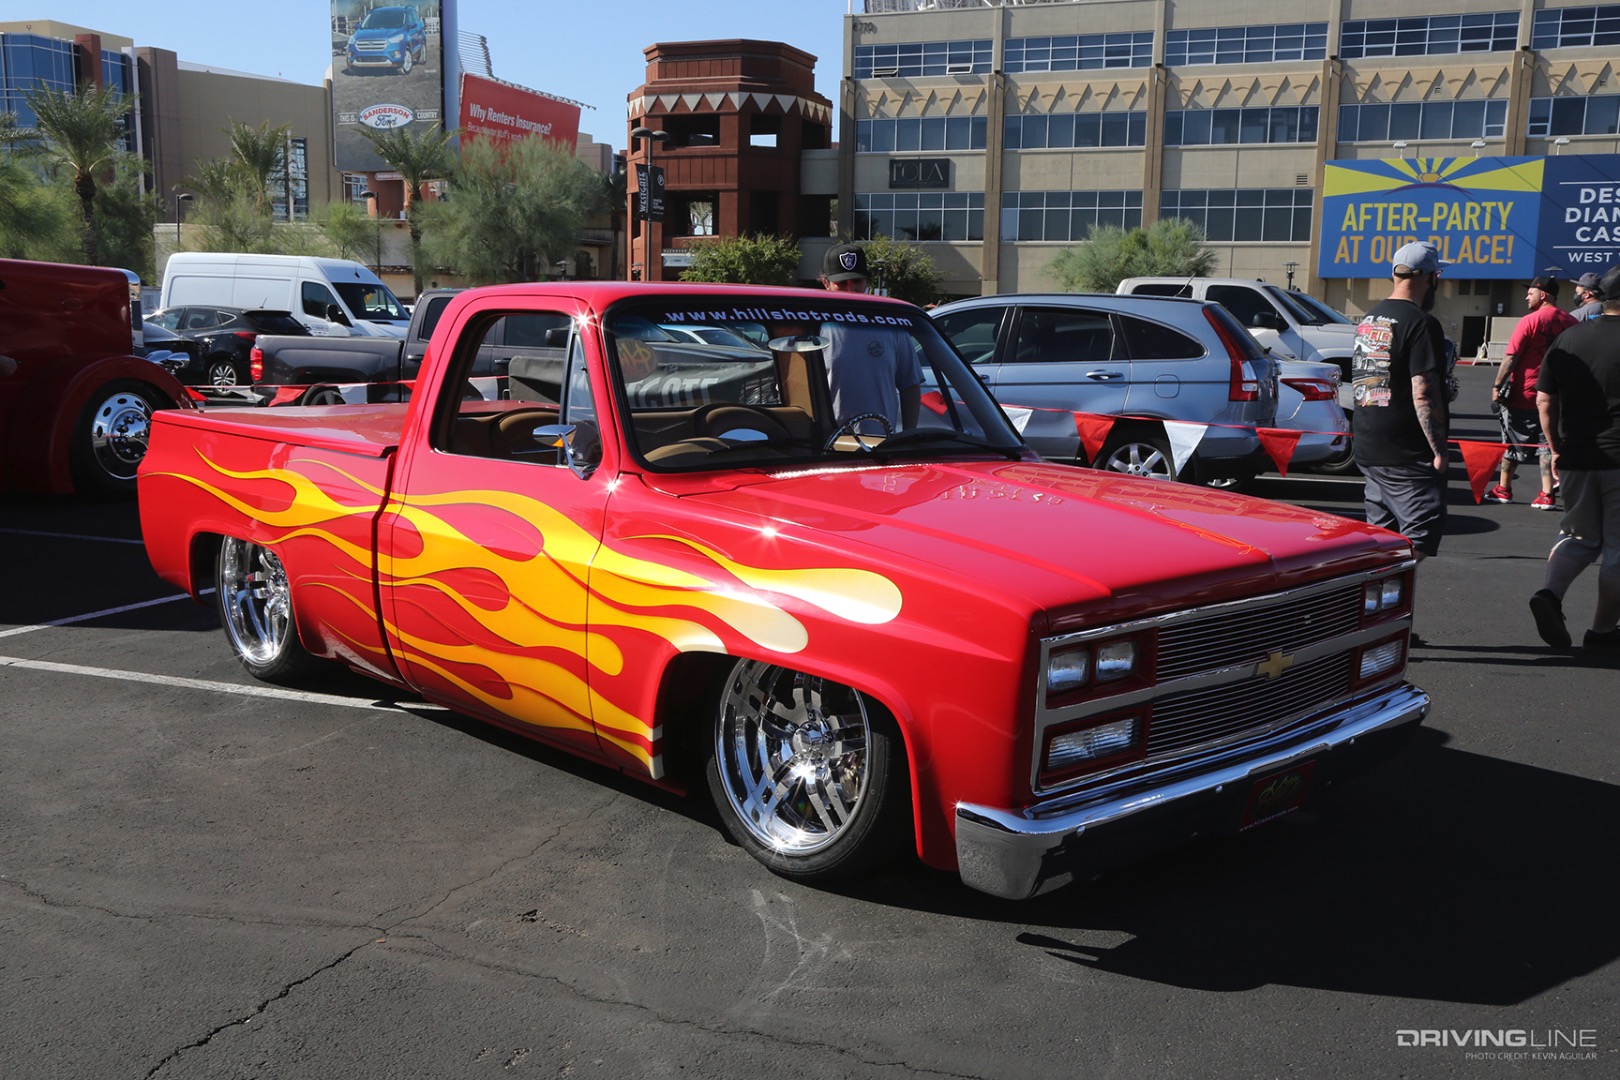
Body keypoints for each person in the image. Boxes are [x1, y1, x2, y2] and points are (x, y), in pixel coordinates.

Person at [1527, 263, 1620, 653]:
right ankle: (1601, 632)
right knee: (1617, 548)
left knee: (1578, 538)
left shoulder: (1568, 339)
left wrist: (1556, 446)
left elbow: (1544, 399)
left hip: (1578, 455)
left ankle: (1550, 594)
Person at [1351, 241, 1451, 569]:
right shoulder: (1421, 323)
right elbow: (1423, 391)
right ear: (1430, 278)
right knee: (1421, 533)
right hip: (1405, 450)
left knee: (1384, 539)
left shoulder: (1370, 317)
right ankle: (1366, 601)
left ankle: (1364, 603)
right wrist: (1438, 449)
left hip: (1369, 443)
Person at [1484, 276, 1575, 510]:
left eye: (1530, 293)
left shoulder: (1529, 321)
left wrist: (1497, 386)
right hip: (1557, 396)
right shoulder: (1572, 322)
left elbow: (1511, 357)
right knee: (1547, 443)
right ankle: (1546, 494)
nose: (1526, 296)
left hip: (1525, 394)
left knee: (1512, 442)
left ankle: (1504, 488)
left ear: (1542, 295)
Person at [818, 243, 921, 434]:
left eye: (857, 281)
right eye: (842, 284)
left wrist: (909, 438)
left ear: (866, 282)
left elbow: (910, 385)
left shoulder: (890, 324)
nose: (851, 290)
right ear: (825, 283)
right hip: (828, 450)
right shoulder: (813, 327)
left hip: (881, 448)